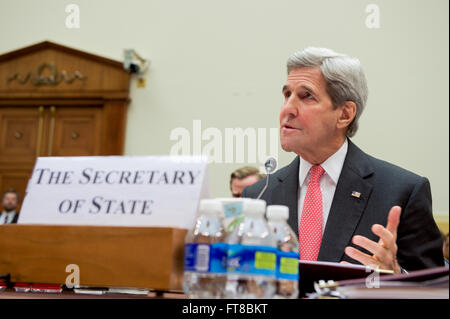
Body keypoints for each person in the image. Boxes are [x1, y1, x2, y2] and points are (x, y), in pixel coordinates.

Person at [243, 47, 444, 273]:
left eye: (306, 96)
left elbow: (434, 288)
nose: (287, 108)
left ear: (345, 114)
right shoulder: (258, 195)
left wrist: (397, 275)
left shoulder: (402, 192)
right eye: (287, 94)